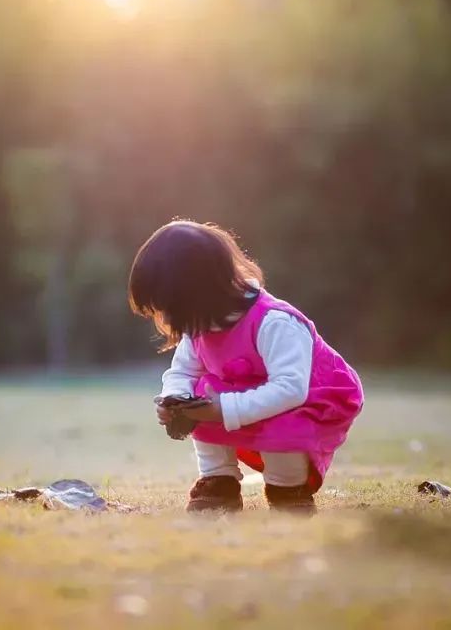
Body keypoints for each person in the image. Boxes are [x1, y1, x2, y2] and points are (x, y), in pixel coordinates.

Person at [128, 220, 364, 513]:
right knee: (198, 395)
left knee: (283, 424)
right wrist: (175, 400)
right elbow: (183, 372)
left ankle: (288, 488)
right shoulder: (199, 325)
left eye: (169, 309)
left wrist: (223, 410)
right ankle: (218, 481)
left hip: (309, 398)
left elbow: (290, 389)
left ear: (198, 295)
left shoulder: (274, 323)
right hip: (249, 394)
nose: (165, 319)